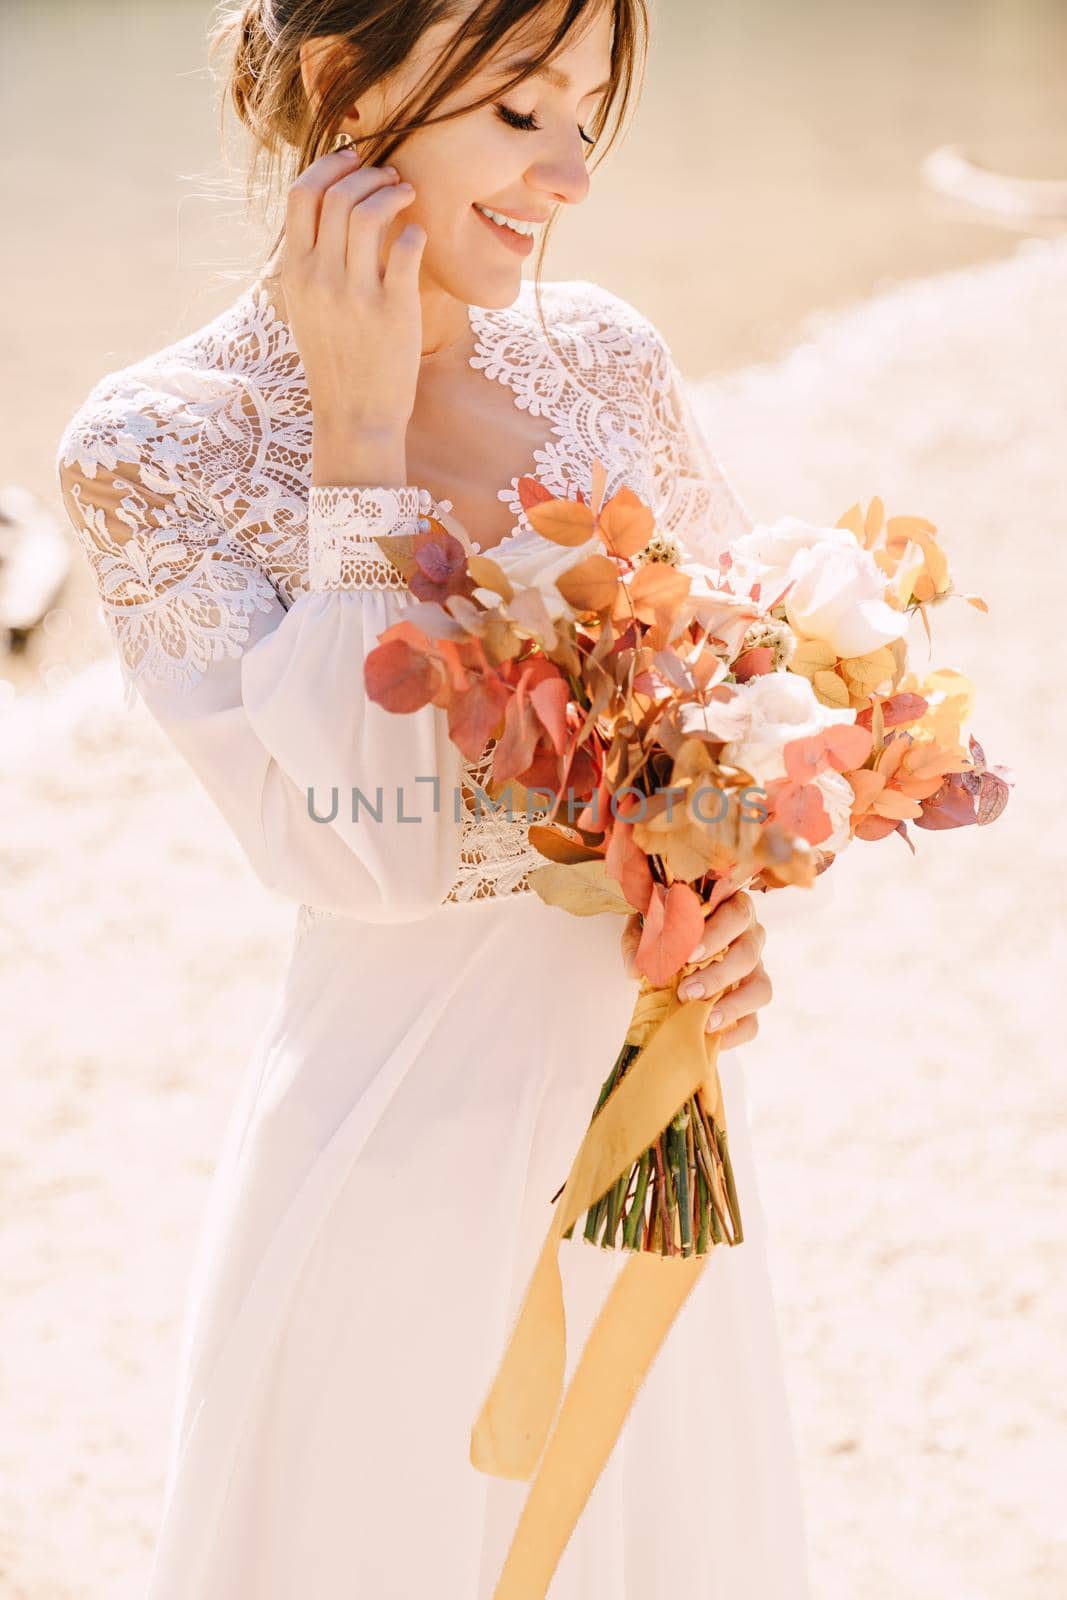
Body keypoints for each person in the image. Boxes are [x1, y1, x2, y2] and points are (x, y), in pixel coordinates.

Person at [54, 2, 811, 1594]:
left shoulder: (606, 360)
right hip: (393, 1151)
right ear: (347, 85)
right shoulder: (156, 448)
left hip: (649, 1160)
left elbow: (744, 730)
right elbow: (363, 856)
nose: (569, 176)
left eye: (586, 116)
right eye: (520, 111)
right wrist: (361, 443)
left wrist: (726, 900)